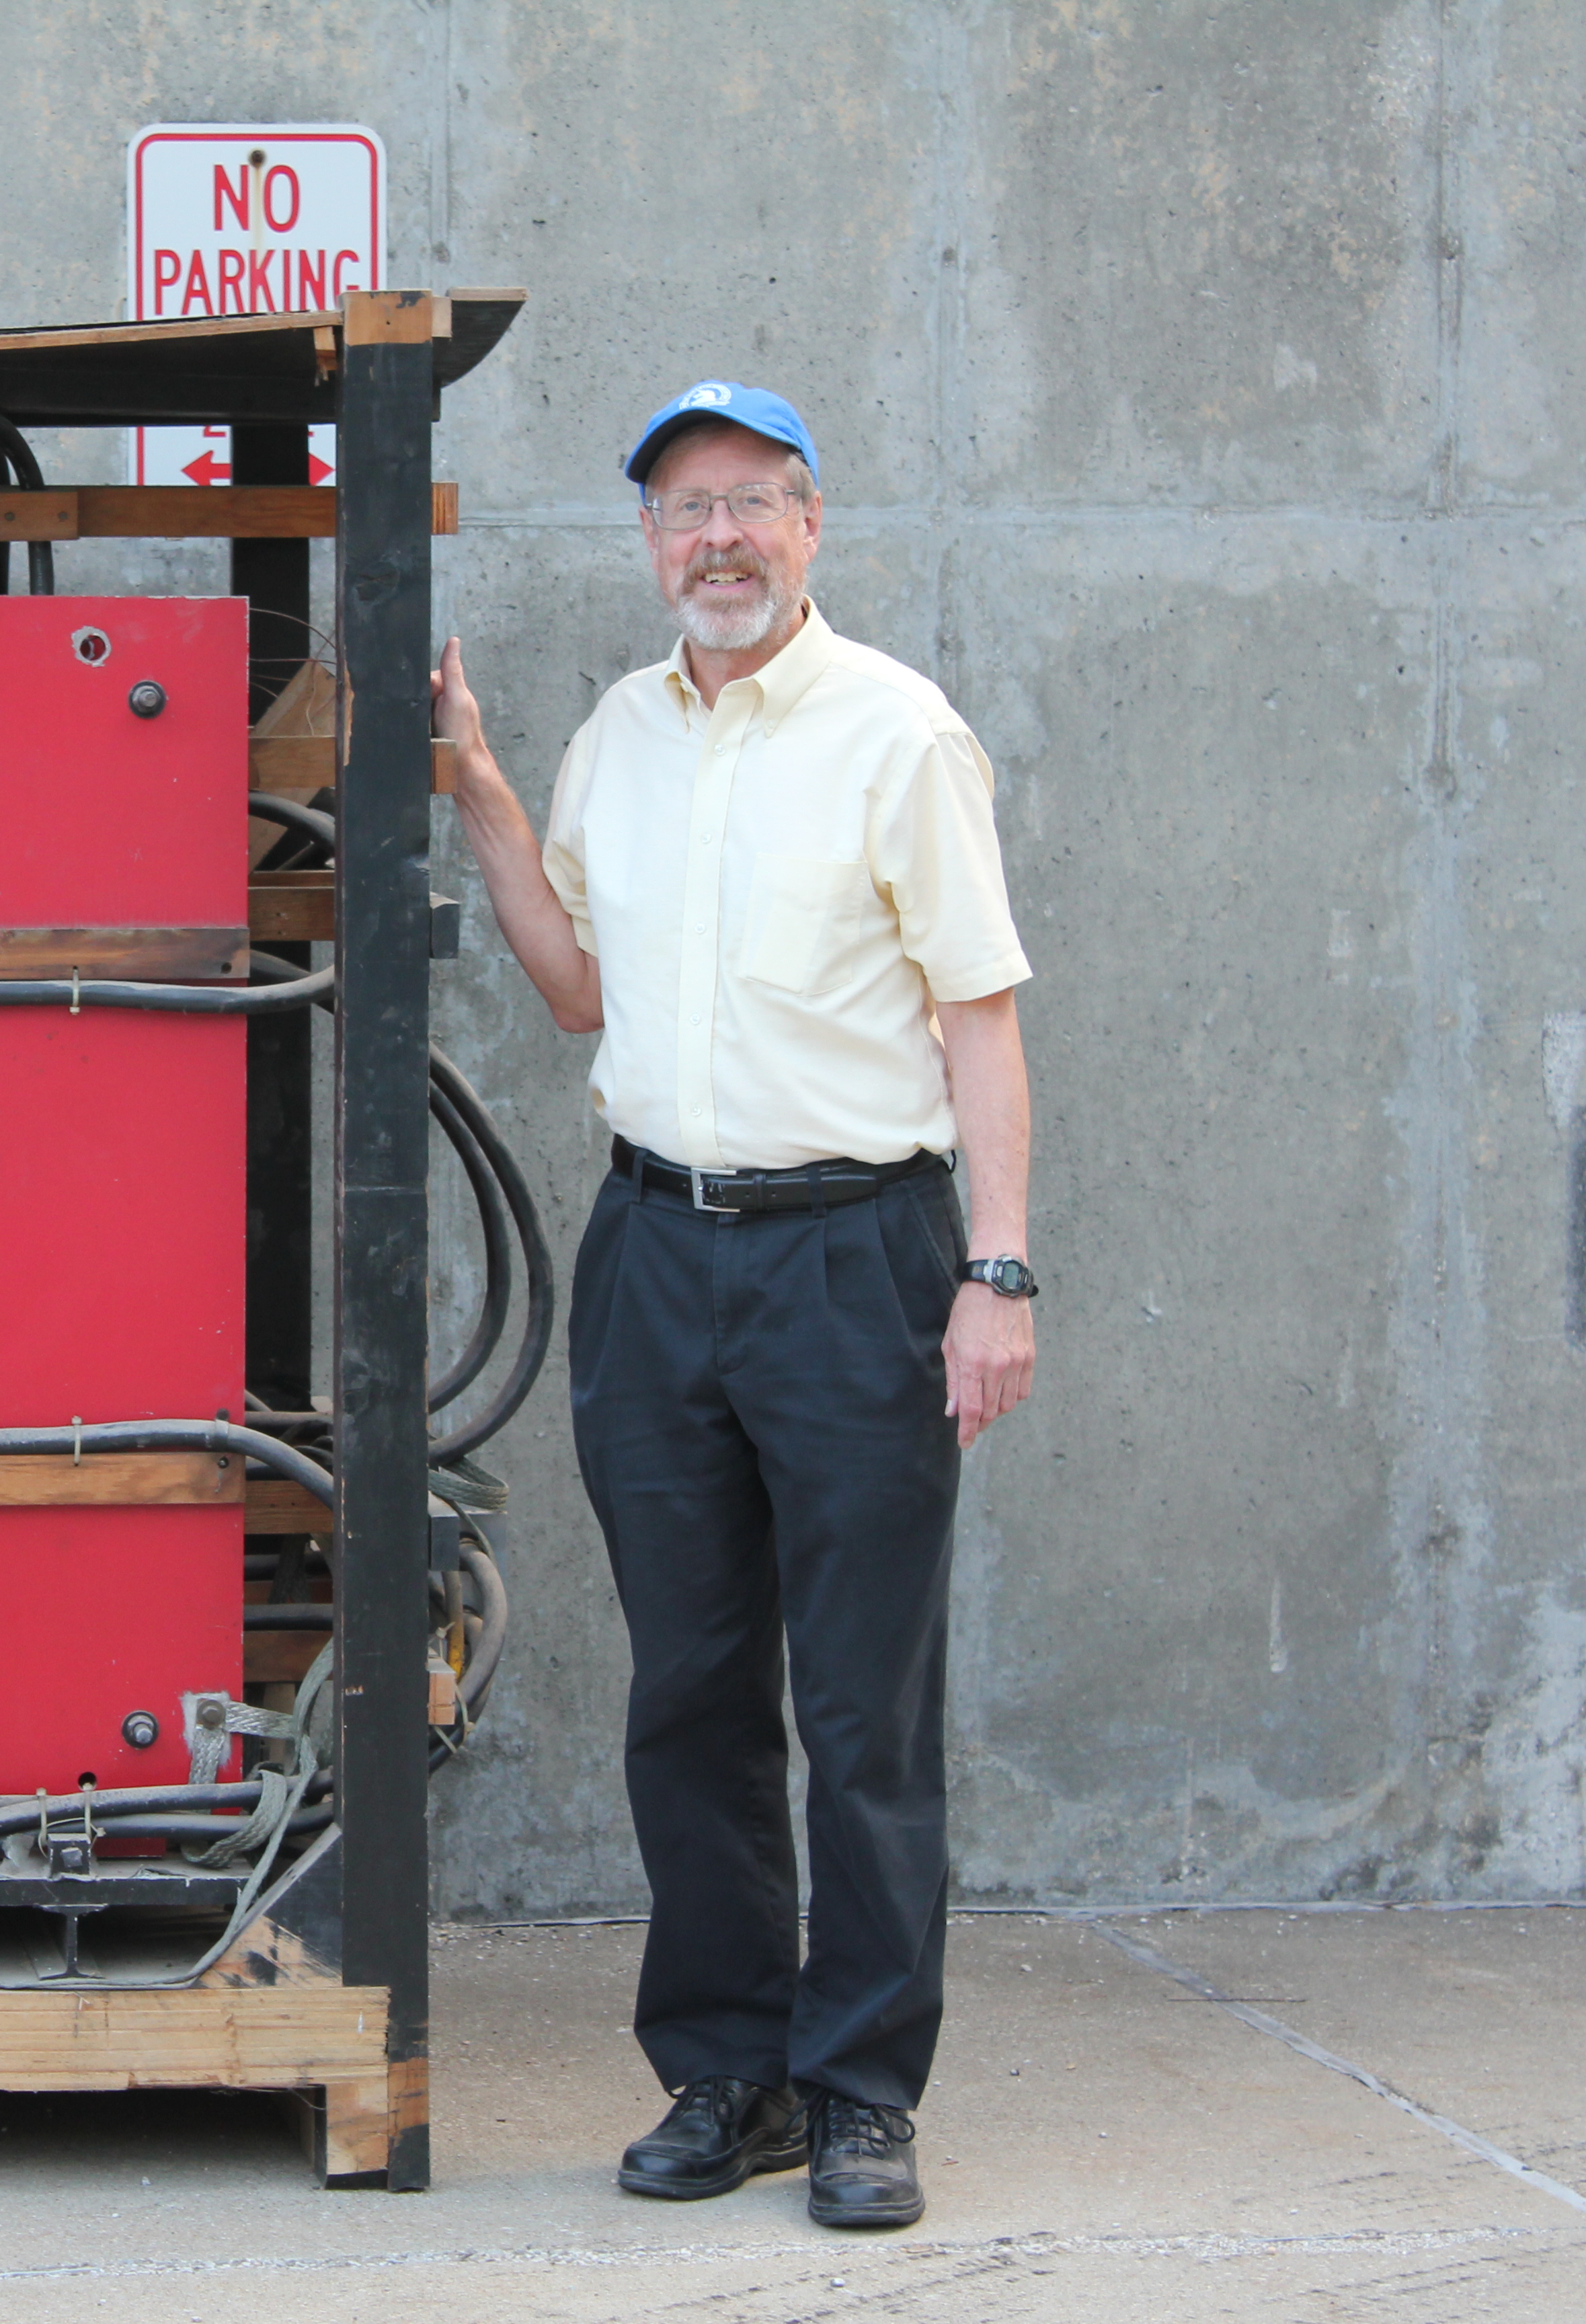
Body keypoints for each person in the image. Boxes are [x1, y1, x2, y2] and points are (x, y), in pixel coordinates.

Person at [433, 381, 1036, 2231]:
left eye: (751, 507)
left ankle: (863, 2094)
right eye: (687, 510)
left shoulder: (898, 735)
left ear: (811, 526)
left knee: (864, 1705)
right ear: (649, 541)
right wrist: (478, 786)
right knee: (690, 1696)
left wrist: (995, 1271)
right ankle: (729, 2072)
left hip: (860, 1259)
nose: (718, 540)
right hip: (656, 1260)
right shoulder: (624, 733)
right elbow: (579, 993)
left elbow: (980, 1016)